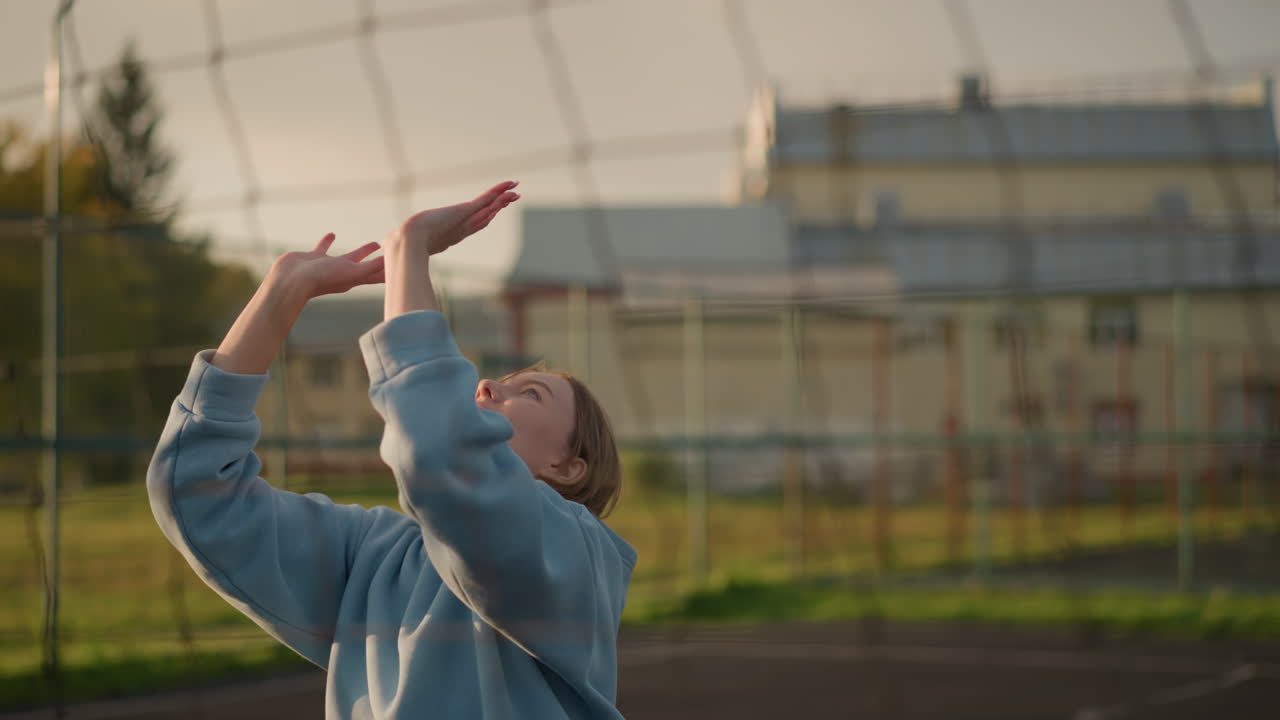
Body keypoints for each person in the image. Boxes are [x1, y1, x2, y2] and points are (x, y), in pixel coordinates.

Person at [147, 181, 637, 719]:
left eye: (531, 394)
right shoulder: (377, 557)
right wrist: (282, 294)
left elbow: (442, 456)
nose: (489, 386)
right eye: (500, 379)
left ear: (567, 466)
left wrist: (411, 248)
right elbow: (197, 495)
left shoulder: (576, 556)